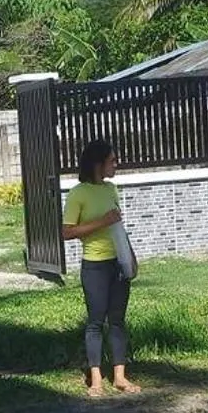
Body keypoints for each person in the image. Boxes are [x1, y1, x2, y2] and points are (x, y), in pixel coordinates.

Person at [61, 137, 140, 397]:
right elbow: (67, 232)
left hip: (117, 262)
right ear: (98, 163)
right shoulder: (78, 194)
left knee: (117, 321)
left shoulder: (111, 189)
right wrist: (101, 222)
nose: (116, 165)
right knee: (96, 322)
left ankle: (120, 377)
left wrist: (130, 256)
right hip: (94, 266)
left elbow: (117, 225)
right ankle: (95, 379)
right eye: (112, 161)